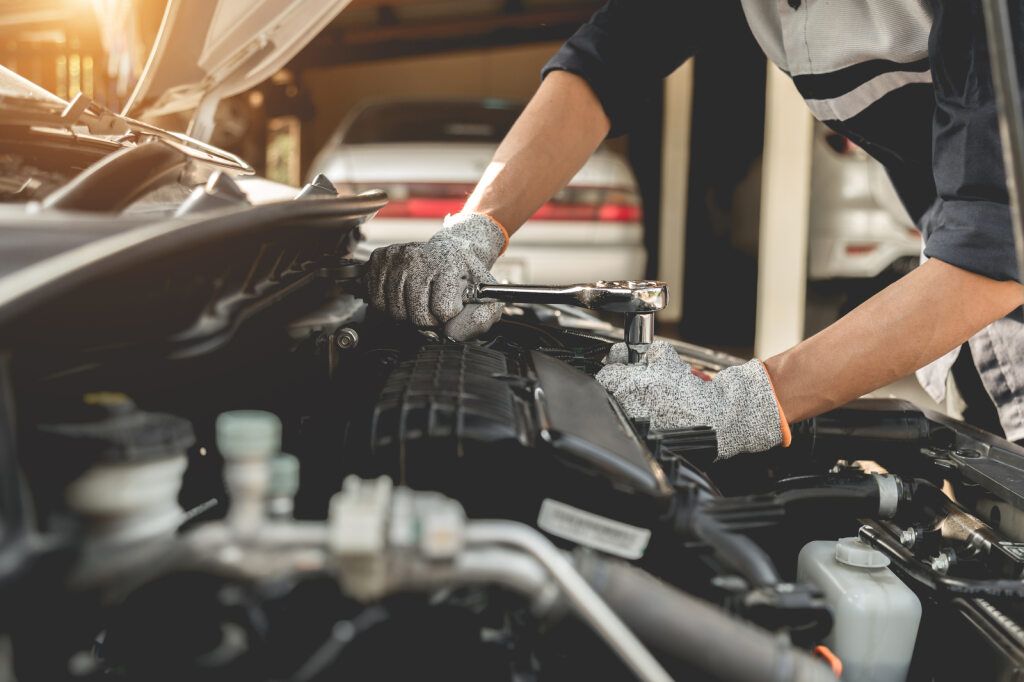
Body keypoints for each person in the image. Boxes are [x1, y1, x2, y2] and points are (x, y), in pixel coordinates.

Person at [366, 1, 1024, 457]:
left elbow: (991, 245)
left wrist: (748, 402)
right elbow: (602, 65)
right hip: (974, 299)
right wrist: (472, 233)